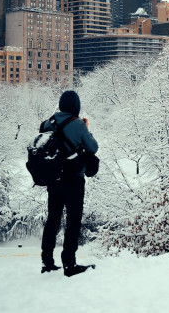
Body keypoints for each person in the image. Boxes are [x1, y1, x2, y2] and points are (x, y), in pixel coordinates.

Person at [41, 90, 99, 277]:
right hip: (74, 180)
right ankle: (69, 264)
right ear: (76, 106)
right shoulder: (78, 124)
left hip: (54, 180)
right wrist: (86, 128)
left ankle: (47, 261)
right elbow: (93, 147)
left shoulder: (48, 123)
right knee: (73, 221)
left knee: (53, 220)